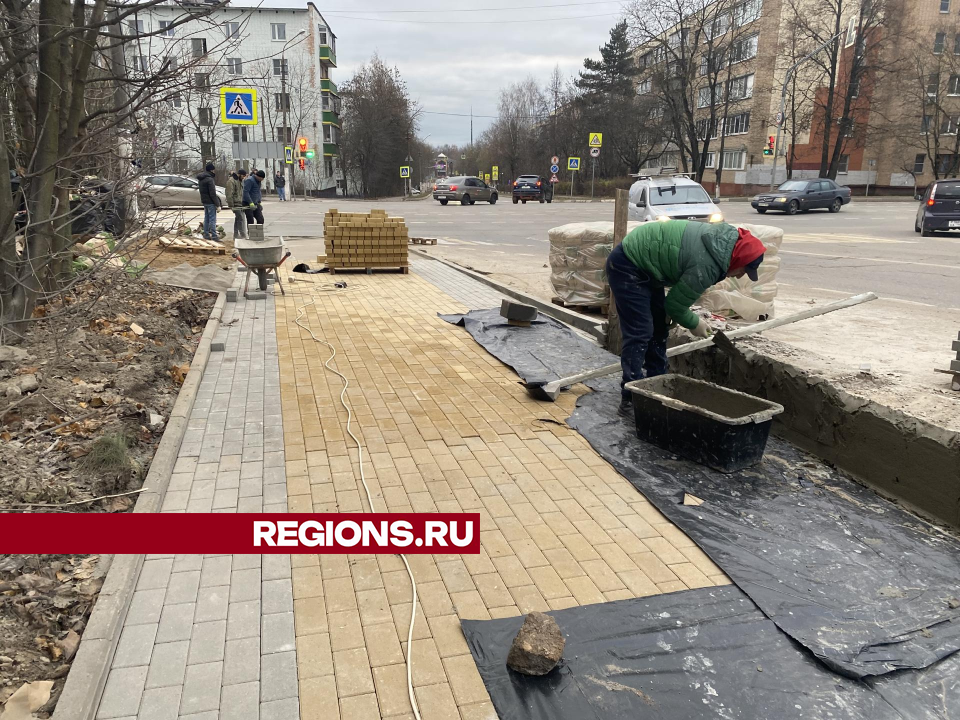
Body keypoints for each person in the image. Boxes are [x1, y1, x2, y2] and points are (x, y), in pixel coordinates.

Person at [607, 220, 766, 417]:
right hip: (628, 264)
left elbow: (674, 300)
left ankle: (656, 388)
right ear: (739, 259)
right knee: (641, 332)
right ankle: (630, 398)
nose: (741, 275)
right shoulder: (708, 264)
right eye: (744, 270)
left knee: (659, 328)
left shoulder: (721, 245)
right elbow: (675, 305)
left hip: (650, 266)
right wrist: (693, 323)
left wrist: (672, 313)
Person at [197, 162, 219, 242]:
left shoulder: (201, 179)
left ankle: (206, 235)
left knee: (206, 218)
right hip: (210, 202)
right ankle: (214, 236)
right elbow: (212, 193)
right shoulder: (210, 179)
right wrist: (217, 204)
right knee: (212, 219)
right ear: (212, 170)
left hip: (205, 201)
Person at [225, 168, 247, 240]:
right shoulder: (231, 181)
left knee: (238, 219)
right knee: (240, 218)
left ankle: (236, 236)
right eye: (243, 176)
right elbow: (229, 194)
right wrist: (231, 205)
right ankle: (242, 235)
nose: (244, 178)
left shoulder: (239, 181)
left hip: (239, 203)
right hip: (235, 204)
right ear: (239, 174)